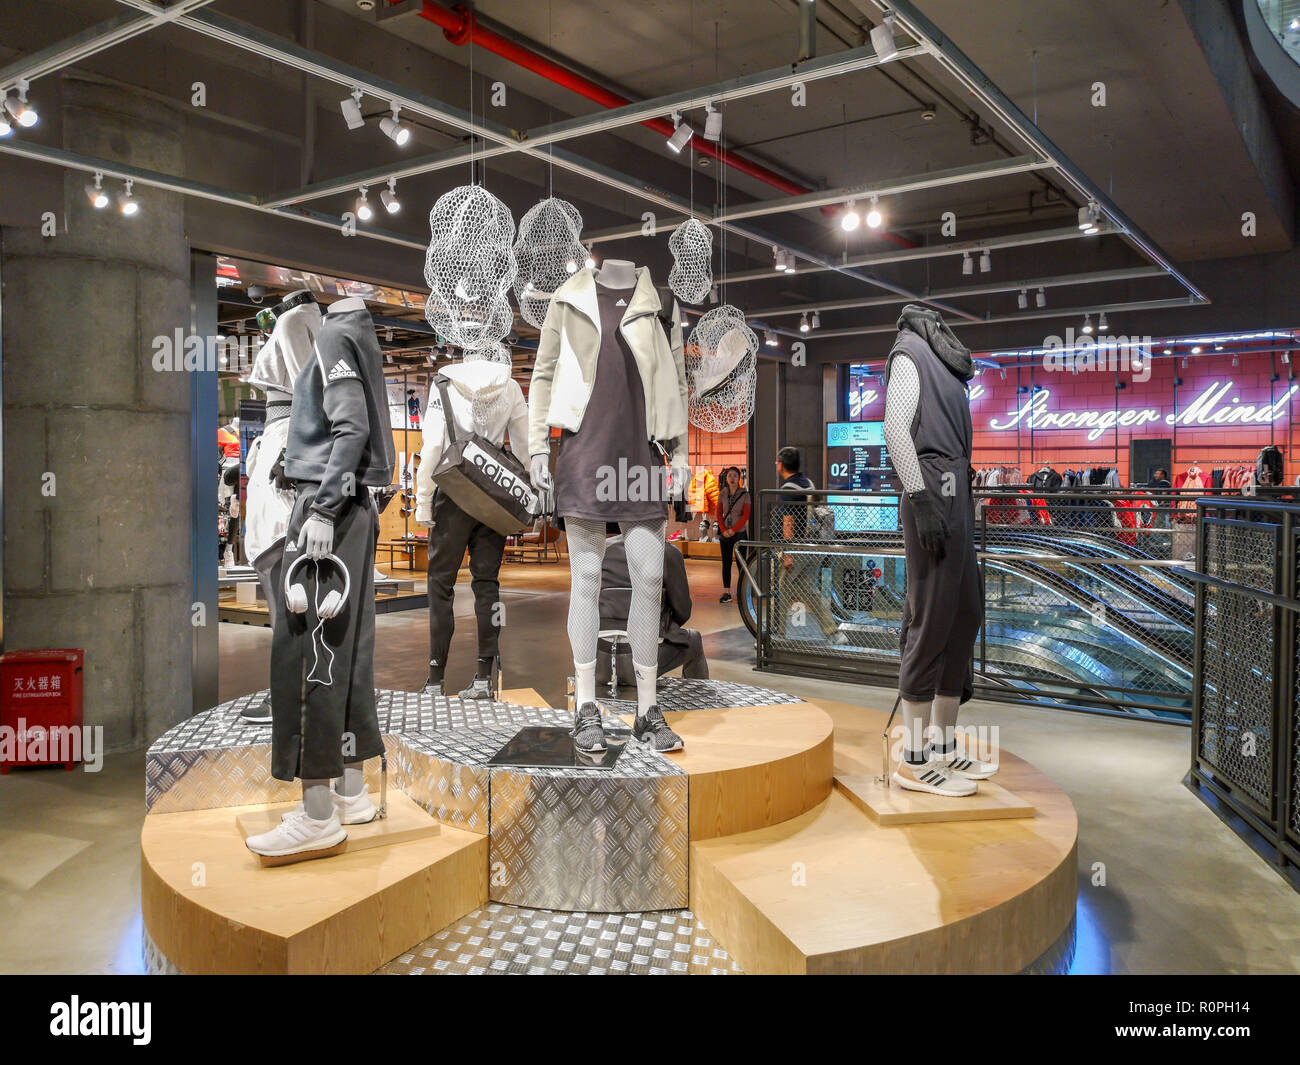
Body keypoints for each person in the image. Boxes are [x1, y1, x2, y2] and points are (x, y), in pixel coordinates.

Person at [415, 358, 528, 699]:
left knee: (441, 586)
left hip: (452, 491)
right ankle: (483, 677)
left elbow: (433, 446)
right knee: (487, 585)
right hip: (493, 495)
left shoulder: (445, 383)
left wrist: (422, 499)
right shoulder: (510, 385)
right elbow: (522, 447)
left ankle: (435, 680)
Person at [596, 527, 709, 686]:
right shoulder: (667, 552)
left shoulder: (602, 549)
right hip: (642, 661)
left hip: (599, 658)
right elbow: (682, 611)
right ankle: (699, 702)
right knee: (694, 639)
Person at [773, 446, 845, 645]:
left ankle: (777, 634)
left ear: (780, 464)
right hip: (812, 546)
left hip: (795, 549)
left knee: (780, 590)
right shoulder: (808, 483)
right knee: (807, 589)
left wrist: (787, 553)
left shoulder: (788, 489)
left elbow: (788, 522)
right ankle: (833, 632)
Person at [716, 466, 750, 604]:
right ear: (726, 478)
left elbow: (746, 515)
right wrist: (724, 529)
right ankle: (726, 592)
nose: (732, 478)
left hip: (739, 533)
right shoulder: (722, 493)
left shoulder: (745, 494)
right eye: (729, 475)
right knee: (726, 563)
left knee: (741, 563)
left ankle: (742, 592)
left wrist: (733, 530)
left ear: (739, 478)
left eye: (735, 476)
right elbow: (718, 513)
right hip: (725, 534)